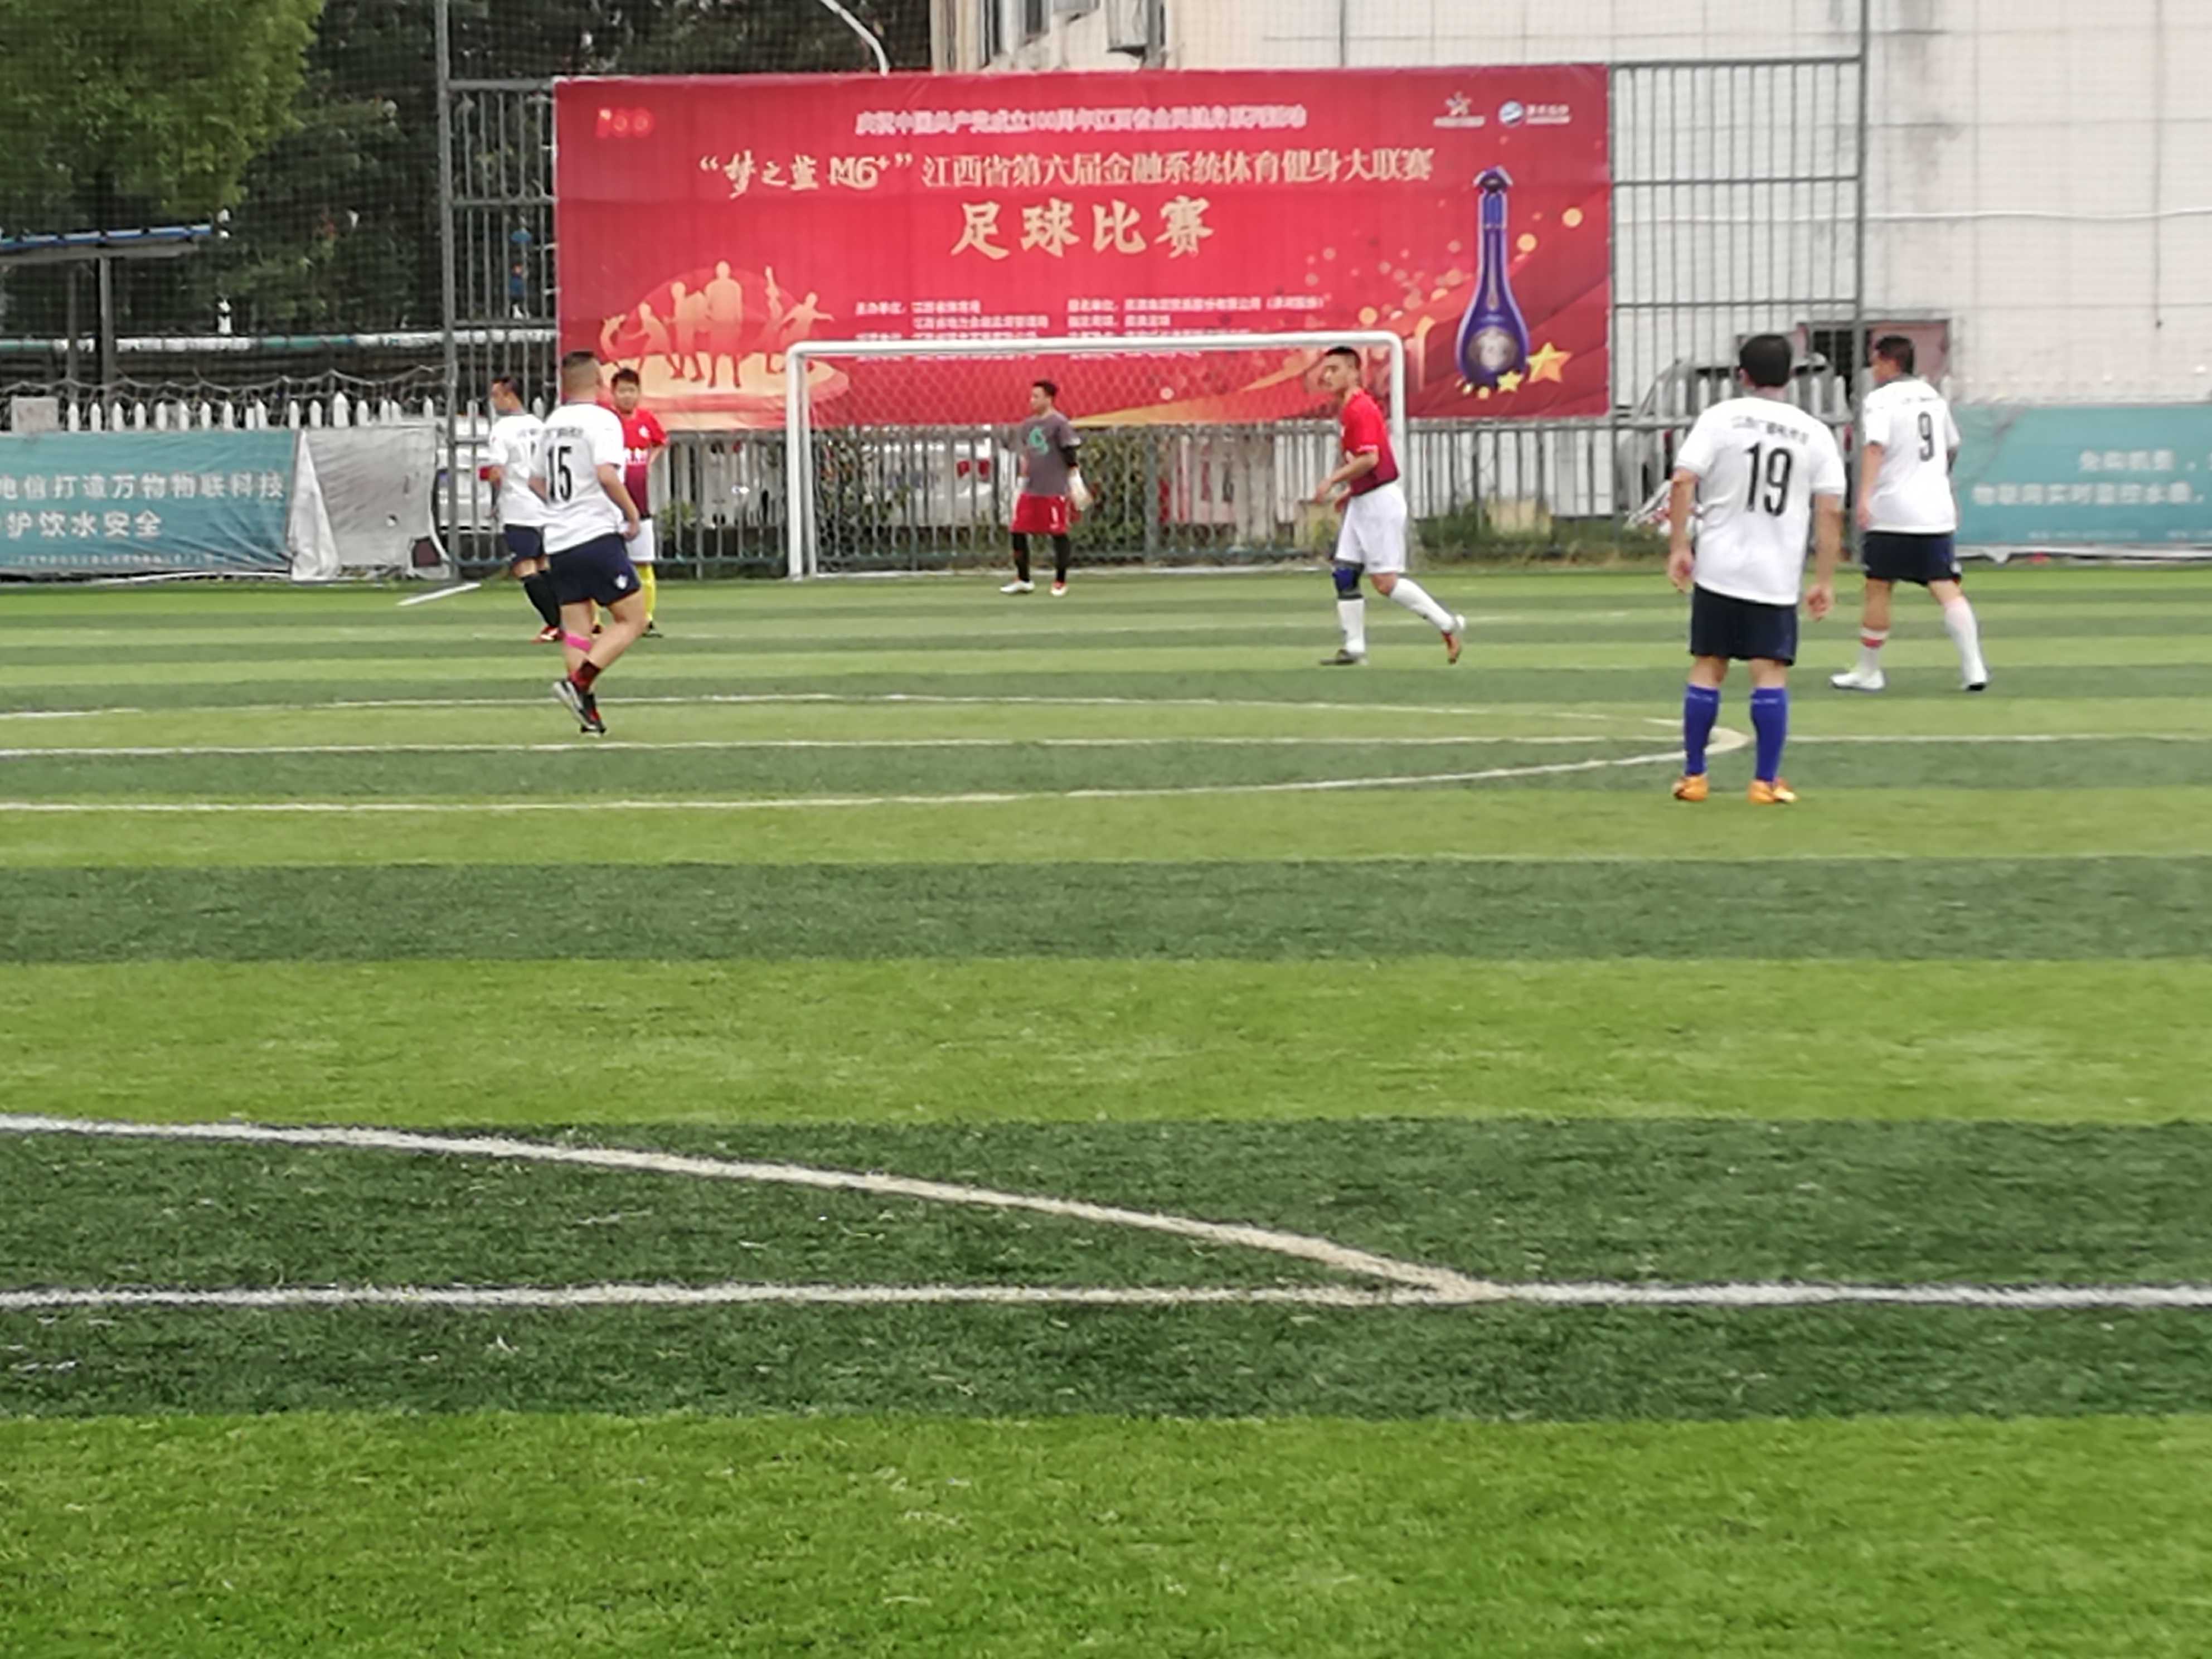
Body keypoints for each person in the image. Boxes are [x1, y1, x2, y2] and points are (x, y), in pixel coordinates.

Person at [1666, 332, 1846, 804]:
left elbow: (1683, 480)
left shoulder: (1720, 417)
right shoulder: (1814, 432)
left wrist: (1680, 546)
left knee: (1709, 665)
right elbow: (1831, 509)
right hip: (1775, 573)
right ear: (1791, 375)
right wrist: (1824, 580)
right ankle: (1764, 781)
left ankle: (1694, 777)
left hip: (1719, 567)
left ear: (1742, 374)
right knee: (1769, 672)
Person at [1831, 334, 1987, 693]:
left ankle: (1869, 671)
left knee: (1878, 586)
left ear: (1889, 362)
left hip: (1894, 509)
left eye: (1876, 361)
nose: (1873, 368)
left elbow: (1875, 447)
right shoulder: (1933, 396)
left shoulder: (1881, 400)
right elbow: (1952, 446)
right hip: (1935, 510)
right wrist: (1936, 479)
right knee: (1945, 585)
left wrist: (1864, 497)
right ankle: (1974, 667)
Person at [1309, 345, 1464, 665]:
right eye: (1325, 370)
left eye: (1335, 369)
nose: (1327, 376)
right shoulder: (1348, 408)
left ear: (1354, 372)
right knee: (1344, 573)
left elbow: (1370, 458)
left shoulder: (1361, 408)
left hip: (1379, 503)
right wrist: (1351, 491)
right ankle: (1354, 648)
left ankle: (1447, 624)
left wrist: (1332, 480)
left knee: (1385, 583)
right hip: (1363, 500)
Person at [532, 350, 646, 736]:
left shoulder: (552, 424)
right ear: (599, 382)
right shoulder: (603, 420)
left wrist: (560, 507)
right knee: (633, 618)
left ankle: (587, 712)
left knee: (578, 629)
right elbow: (606, 474)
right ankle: (579, 683)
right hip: (595, 534)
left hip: (560, 540)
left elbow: (536, 481)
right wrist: (631, 513)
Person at [481, 375, 557, 642]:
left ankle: (555, 623)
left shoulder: (502, 430)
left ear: (509, 395)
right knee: (543, 563)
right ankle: (563, 621)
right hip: (544, 505)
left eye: (496, 395)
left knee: (525, 567)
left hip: (518, 506)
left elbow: (497, 472)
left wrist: (495, 500)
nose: (493, 401)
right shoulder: (540, 426)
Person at [1002, 379, 1084, 596]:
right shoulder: (1028, 425)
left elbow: (1070, 452)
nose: (1032, 401)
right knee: (1018, 530)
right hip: (1032, 488)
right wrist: (1021, 481)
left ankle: (1060, 581)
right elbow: (1026, 455)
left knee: (1058, 533)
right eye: (1031, 396)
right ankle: (1023, 579)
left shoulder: (1059, 423)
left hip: (1054, 488)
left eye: (1036, 397)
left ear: (1049, 398)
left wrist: (1074, 479)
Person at [608, 367, 668, 636]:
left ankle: (646, 618)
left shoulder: (646, 420)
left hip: (640, 505)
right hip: (610, 507)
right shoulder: (608, 422)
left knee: (643, 563)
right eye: (622, 391)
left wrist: (648, 462)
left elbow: (660, 441)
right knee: (602, 565)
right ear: (613, 393)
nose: (627, 396)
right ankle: (597, 620)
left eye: (632, 390)